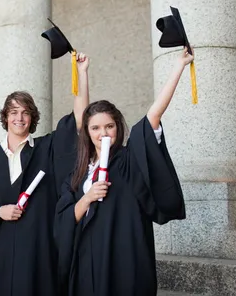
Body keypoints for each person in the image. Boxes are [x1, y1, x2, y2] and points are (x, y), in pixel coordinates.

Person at [54, 48, 190, 296]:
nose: (103, 133)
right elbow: (64, 220)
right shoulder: (78, 173)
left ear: (118, 127)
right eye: (95, 128)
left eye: (109, 126)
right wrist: (87, 197)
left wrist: (179, 66)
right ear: (87, 132)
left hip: (124, 261)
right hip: (86, 263)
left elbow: (153, 117)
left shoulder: (129, 160)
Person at [0, 53, 90, 296]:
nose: (19, 118)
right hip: (2, 249)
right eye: (13, 112)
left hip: (39, 249)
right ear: (5, 117)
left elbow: (79, 120)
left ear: (32, 117)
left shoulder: (47, 149)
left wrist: (82, 73)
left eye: (25, 112)